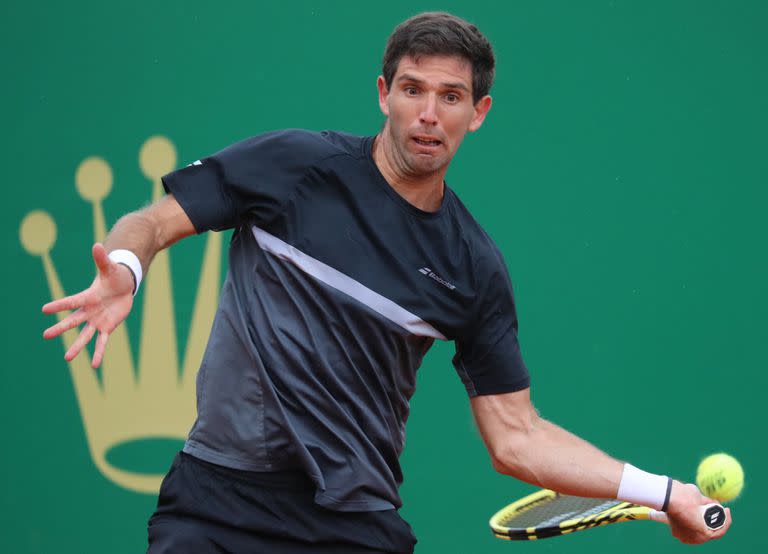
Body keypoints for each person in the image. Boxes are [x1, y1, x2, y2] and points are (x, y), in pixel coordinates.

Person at [42, 11, 730, 553]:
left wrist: (663, 492)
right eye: (413, 90)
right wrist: (127, 270)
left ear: (478, 112)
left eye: (451, 96)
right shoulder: (293, 167)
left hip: (351, 524)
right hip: (217, 501)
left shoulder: (472, 268)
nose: (429, 113)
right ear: (385, 95)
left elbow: (517, 439)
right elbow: (155, 221)